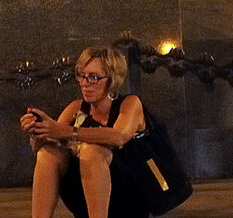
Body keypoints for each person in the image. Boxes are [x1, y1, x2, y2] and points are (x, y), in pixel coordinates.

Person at [23, 45, 145, 218]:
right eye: (82, 76)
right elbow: (52, 142)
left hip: (126, 197)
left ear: (112, 79)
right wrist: (38, 132)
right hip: (85, 191)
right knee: (48, 154)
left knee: (92, 151)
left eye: (94, 77)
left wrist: (67, 132)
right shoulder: (76, 108)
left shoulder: (129, 104)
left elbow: (119, 136)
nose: (85, 83)